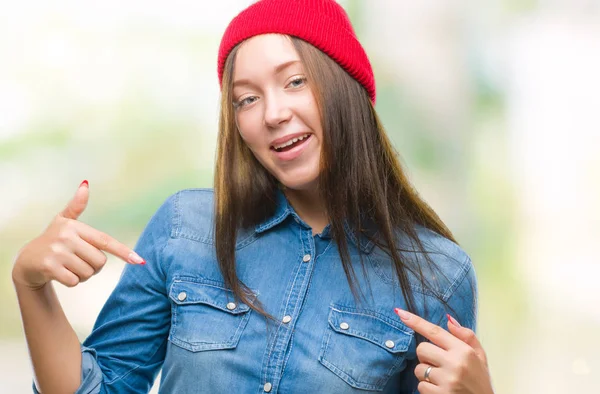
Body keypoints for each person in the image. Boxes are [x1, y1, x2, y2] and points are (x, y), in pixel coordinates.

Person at [11, 0, 494, 393]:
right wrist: (32, 287)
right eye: (247, 98)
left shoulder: (436, 274)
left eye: (295, 81)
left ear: (345, 86)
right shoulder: (186, 227)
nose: (273, 113)